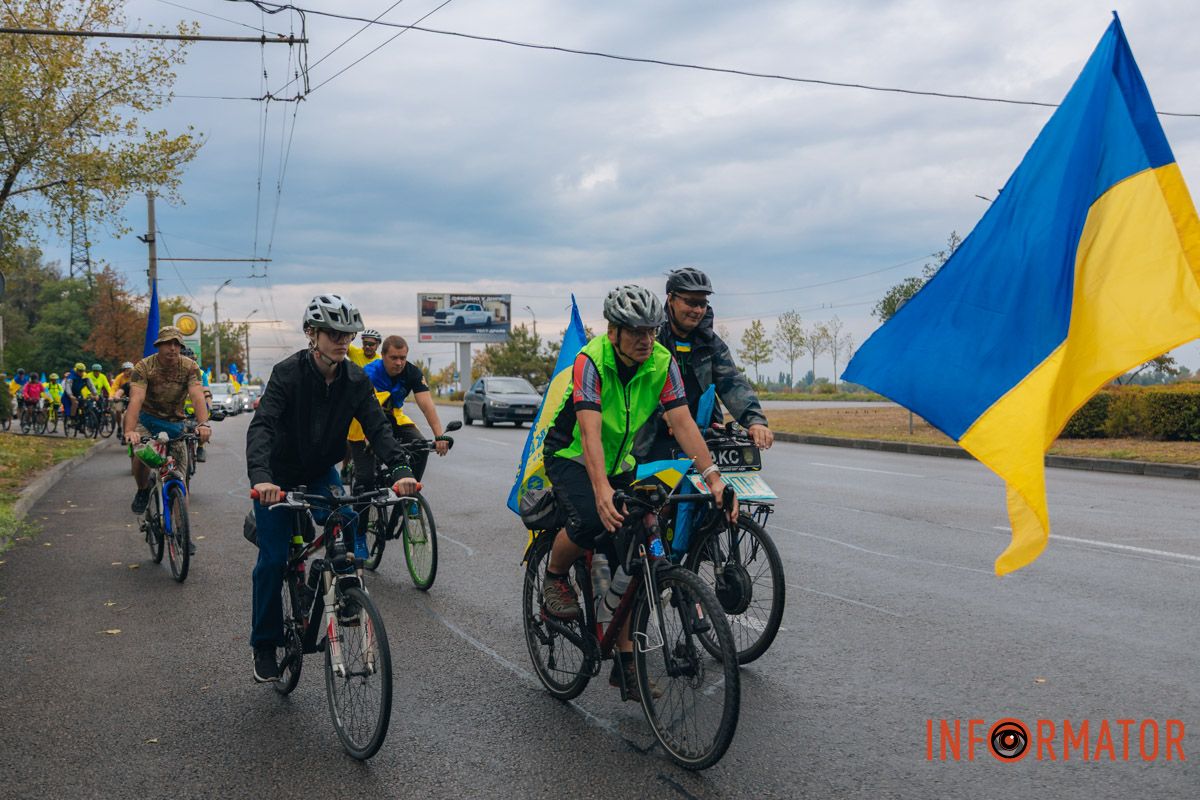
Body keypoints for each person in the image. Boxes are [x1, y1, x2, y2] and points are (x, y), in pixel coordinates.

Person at [539, 284, 736, 701]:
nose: (646, 339)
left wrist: (714, 478)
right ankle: (554, 577)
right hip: (571, 454)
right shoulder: (591, 360)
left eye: (651, 330)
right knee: (591, 520)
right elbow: (589, 433)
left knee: (634, 553)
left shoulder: (662, 362)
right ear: (613, 331)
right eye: (635, 331)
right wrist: (600, 491)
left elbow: (683, 424)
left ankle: (626, 664)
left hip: (620, 460)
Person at [246, 294, 420, 684]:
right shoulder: (287, 373)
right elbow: (263, 426)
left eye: (348, 334)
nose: (343, 341)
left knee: (347, 516)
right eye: (334, 334)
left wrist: (400, 468)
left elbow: (378, 427)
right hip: (277, 474)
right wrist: (261, 478)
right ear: (312, 334)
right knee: (272, 560)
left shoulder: (355, 380)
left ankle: (344, 591)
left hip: (320, 470)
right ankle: (264, 644)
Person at [634, 267, 772, 463]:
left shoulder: (711, 343)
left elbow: (732, 382)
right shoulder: (651, 340)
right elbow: (637, 388)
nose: (697, 310)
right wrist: (663, 414)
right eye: (690, 302)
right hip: (653, 438)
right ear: (671, 299)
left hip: (702, 436)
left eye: (702, 303)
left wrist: (755, 421)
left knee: (721, 482)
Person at [123, 327, 212, 516]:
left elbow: (197, 396)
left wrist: (203, 424)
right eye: (168, 343)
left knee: (180, 480)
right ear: (159, 345)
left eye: (177, 344)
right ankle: (142, 490)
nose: (172, 348)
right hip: (147, 421)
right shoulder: (143, 367)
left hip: (175, 424)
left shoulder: (190, 367)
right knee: (141, 455)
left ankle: (182, 531)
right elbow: (136, 398)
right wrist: (130, 430)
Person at [348, 335, 450, 485]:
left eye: (403, 358)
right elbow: (363, 410)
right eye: (394, 358)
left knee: (420, 447)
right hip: (363, 424)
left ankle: (408, 492)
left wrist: (439, 436)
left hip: (393, 417)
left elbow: (427, 405)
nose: (399, 363)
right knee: (366, 480)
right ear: (383, 355)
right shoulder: (369, 373)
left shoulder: (412, 372)